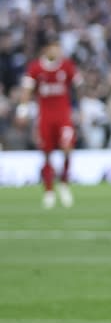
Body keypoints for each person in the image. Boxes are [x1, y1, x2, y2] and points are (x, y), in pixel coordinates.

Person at [18, 38, 81, 209]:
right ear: (45, 49)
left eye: (58, 47)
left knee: (68, 149)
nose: (57, 51)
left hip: (64, 117)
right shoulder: (35, 68)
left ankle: (64, 183)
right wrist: (22, 111)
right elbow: (26, 90)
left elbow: (78, 87)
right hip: (45, 117)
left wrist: (80, 110)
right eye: (53, 48)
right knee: (46, 153)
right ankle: (48, 190)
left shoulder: (67, 66)